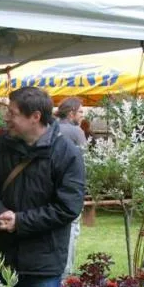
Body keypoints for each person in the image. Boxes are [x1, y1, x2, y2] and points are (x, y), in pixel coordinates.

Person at [0, 87, 85, 287]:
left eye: (12, 113)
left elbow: (68, 207)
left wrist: (21, 221)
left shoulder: (66, 153)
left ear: (35, 117)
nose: (6, 118)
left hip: (42, 267)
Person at [56, 97, 87, 277]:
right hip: (72, 190)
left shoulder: (51, 128)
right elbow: (86, 160)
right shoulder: (76, 132)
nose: (82, 115)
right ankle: (65, 274)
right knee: (72, 232)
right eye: (80, 111)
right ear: (71, 113)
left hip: (51, 189)